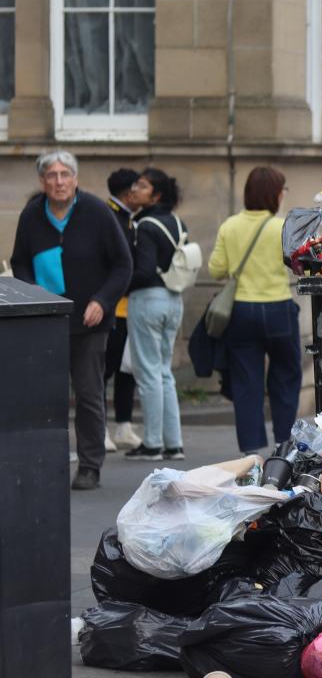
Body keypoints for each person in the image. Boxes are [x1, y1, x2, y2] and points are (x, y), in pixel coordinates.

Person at [10, 150, 133, 490]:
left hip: (89, 321)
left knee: (89, 394)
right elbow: (20, 261)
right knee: (42, 395)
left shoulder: (97, 212)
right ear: (42, 181)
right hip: (46, 321)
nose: (59, 181)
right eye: (52, 175)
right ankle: (42, 461)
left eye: (65, 174)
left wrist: (102, 301)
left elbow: (123, 264)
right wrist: (33, 293)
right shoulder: (32, 215)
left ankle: (90, 465)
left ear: (75, 179)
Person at [209, 166, 302, 455]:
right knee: (286, 377)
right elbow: (299, 266)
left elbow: (216, 270)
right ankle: (284, 447)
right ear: (275, 194)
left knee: (246, 382)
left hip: (241, 312)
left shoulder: (229, 226)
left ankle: (251, 454)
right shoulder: (282, 227)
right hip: (279, 310)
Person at [123, 168, 187, 461]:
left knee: (148, 373)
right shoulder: (177, 222)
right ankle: (173, 443)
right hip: (174, 299)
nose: (135, 189)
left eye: (142, 186)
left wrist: (120, 285)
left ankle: (151, 444)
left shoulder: (145, 225)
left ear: (156, 195)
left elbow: (145, 270)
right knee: (163, 372)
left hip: (147, 299)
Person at [103, 168, 143, 452]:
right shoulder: (109, 217)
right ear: (129, 191)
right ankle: (100, 429)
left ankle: (124, 425)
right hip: (112, 306)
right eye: (140, 186)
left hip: (129, 307)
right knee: (104, 370)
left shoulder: (128, 219)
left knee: (127, 369)